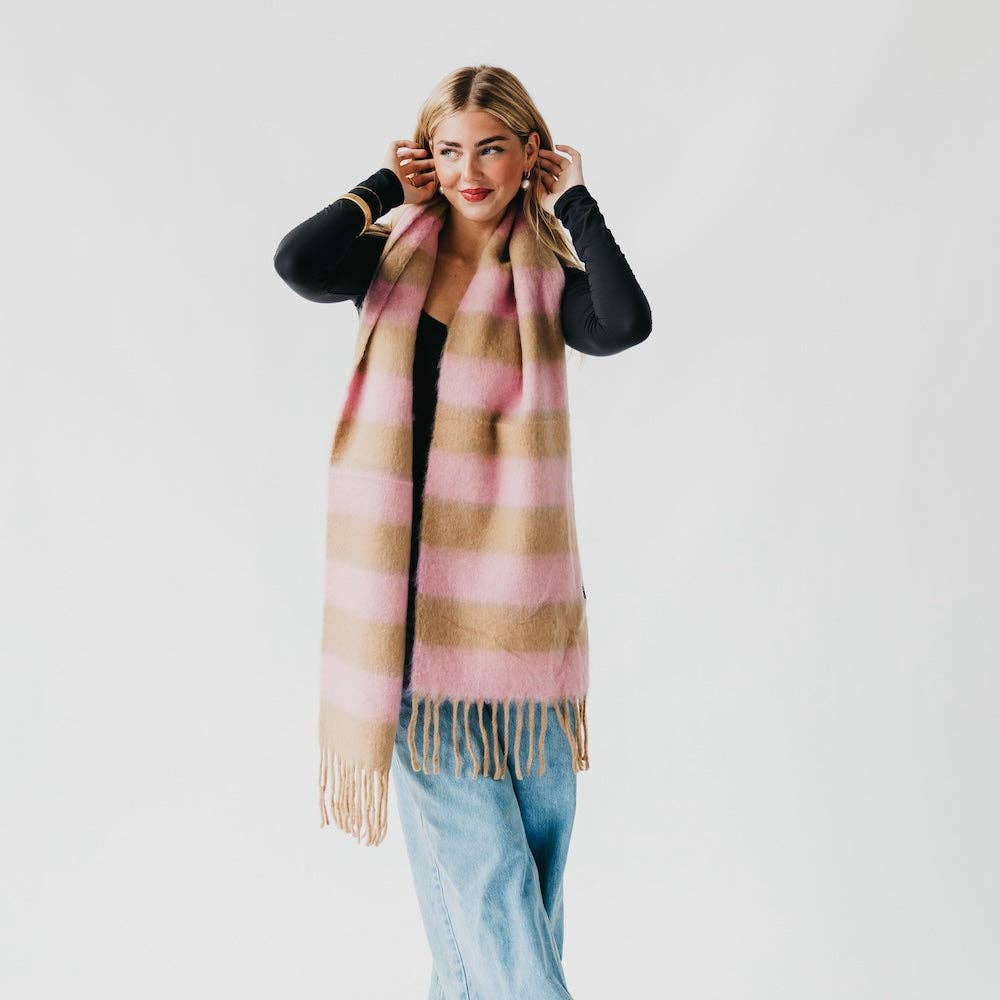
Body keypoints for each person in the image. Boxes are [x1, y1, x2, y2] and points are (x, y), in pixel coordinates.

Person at [274, 64, 651, 1000]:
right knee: (491, 885)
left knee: (529, 879)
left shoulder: (549, 282)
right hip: (407, 629)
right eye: (448, 151)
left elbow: (625, 322)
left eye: (490, 148)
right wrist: (381, 189)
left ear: (531, 154)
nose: (469, 171)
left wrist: (576, 203)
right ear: (426, 158)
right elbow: (296, 262)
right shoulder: (387, 260)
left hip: (525, 619)